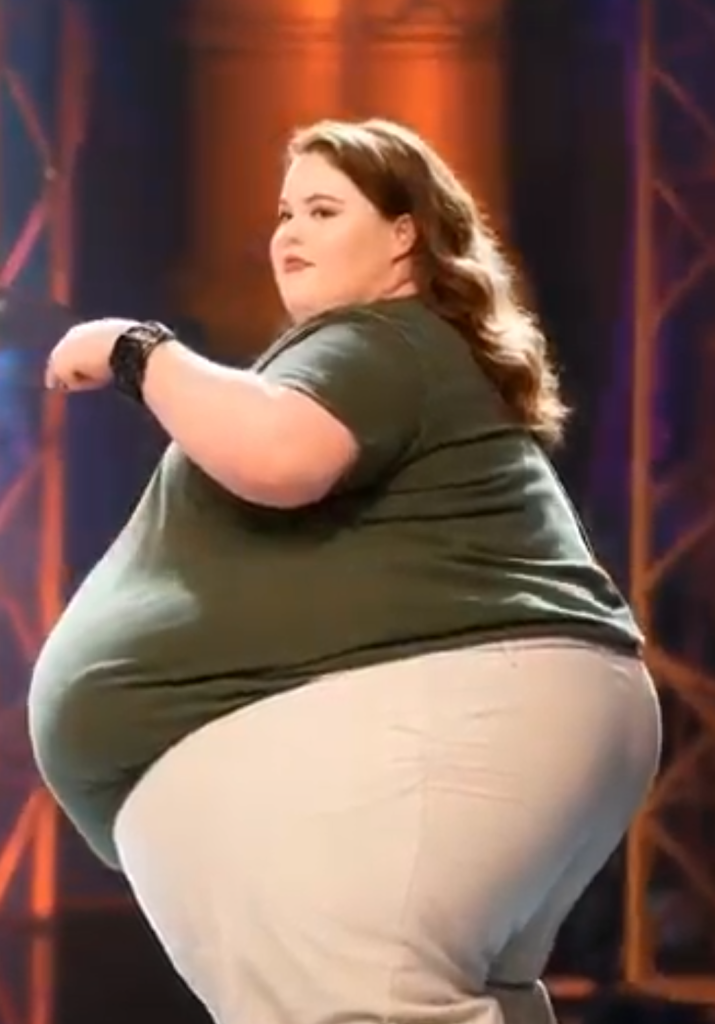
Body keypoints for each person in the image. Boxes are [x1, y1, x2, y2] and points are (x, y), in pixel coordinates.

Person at [28, 118, 661, 1024]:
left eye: (323, 210)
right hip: (508, 715)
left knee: (370, 1008)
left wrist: (135, 350)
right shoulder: (397, 351)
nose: (289, 233)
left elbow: (277, 453)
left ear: (404, 234)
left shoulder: (375, 340)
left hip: (459, 713)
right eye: (284, 214)